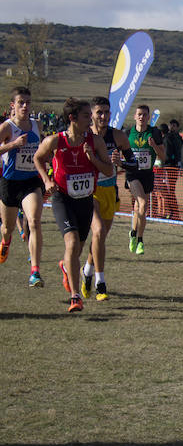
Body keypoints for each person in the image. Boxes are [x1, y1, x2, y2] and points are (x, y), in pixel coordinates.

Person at [33, 97, 113, 312]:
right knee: (71, 242)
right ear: (72, 118)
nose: (91, 119)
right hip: (63, 198)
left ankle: (66, 267)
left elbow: (108, 171)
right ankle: (75, 297)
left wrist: (92, 158)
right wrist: (47, 181)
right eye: (86, 116)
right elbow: (38, 158)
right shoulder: (56, 141)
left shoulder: (95, 142)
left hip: (85, 200)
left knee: (76, 250)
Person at [80, 96, 132, 301]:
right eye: (99, 112)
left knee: (99, 239)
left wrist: (122, 162)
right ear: (91, 114)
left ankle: (87, 272)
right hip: (89, 192)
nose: (103, 116)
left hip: (111, 191)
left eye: (106, 112)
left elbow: (134, 164)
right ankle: (100, 284)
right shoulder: (83, 136)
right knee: (98, 231)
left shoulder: (118, 136)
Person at [0, 86, 45, 287]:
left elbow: (42, 150)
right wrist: (13, 144)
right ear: (13, 106)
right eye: (21, 102)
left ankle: (34, 271)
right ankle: (6, 241)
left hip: (31, 182)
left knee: (34, 221)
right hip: (10, 183)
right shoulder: (7, 128)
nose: (25, 106)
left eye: (28, 102)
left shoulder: (37, 125)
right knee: (8, 227)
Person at [123, 104, 164, 255]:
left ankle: (133, 232)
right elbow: (121, 152)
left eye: (144, 115)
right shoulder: (128, 132)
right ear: (135, 116)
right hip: (132, 174)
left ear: (148, 117)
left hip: (147, 174)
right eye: (139, 114)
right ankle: (139, 240)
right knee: (143, 203)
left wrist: (153, 145)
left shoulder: (154, 133)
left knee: (140, 208)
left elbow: (163, 156)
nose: (141, 117)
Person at [161, 118, 183, 220]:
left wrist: (170, 159)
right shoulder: (170, 137)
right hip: (169, 165)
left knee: (170, 190)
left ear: (177, 127)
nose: (172, 127)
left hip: (170, 166)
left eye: (174, 125)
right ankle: (170, 211)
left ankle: (174, 212)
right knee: (166, 190)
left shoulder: (174, 138)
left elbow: (172, 152)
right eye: (171, 125)